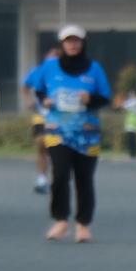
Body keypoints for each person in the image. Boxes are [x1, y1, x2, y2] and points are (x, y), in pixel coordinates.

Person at [34, 25, 111, 242]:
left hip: (87, 134)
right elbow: (38, 89)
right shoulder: (50, 66)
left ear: (83, 43)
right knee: (59, 174)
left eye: (77, 40)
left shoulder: (94, 69)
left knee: (84, 178)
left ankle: (83, 224)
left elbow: (105, 97)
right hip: (57, 132)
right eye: (68, 41)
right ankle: (60, 220)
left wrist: (91, 100)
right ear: (62, 44)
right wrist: (44, 100)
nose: (73, 44)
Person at [23, 46, 59, 194]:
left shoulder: (64, 73)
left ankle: (59, 178)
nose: (55, 57)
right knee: (40, 144)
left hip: (60, 116)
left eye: (58, 55)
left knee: (55, 149)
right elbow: (24, 86)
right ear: (46, 55)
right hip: (41, 114)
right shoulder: (37, 71)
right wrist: (28, 100)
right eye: (53, 54)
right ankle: (41, 178)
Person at [120, 84, 136, 161]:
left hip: (133, 122)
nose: (130, 94)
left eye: (132, 93)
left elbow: (125, 105)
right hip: (130, 122)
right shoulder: (134, 100)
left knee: (132, 139)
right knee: (130, 139)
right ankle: (132, 154)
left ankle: (134, 154)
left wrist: (121, 100)